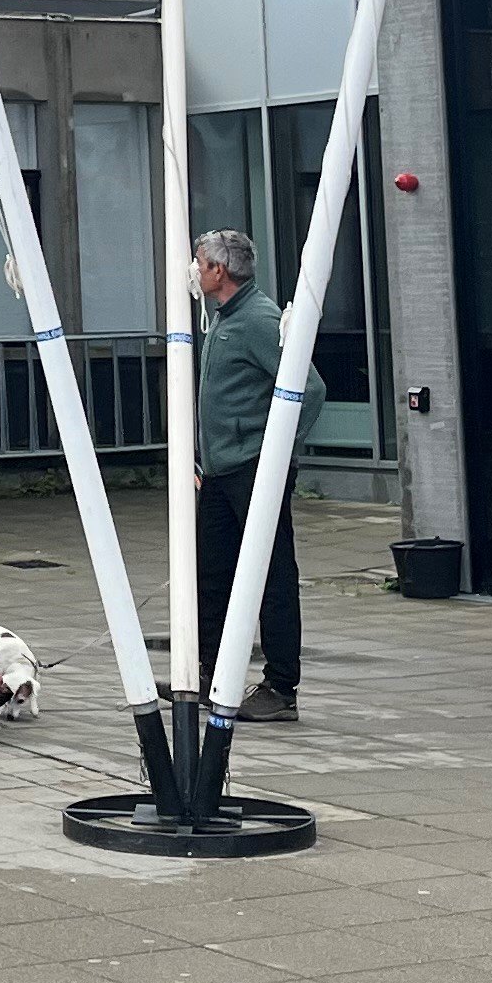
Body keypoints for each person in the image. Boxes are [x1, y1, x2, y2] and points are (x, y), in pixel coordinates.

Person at [193, 228, 297, 723]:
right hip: (220, 471)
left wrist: (272, 451)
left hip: (253, 469)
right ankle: (211, 671)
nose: (193, 271)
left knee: (271, 574)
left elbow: (307, 388)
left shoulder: (257, 318)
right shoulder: (223, 318)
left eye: (199, 262)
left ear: (219, 270)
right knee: (211, 572)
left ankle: (281, 686)